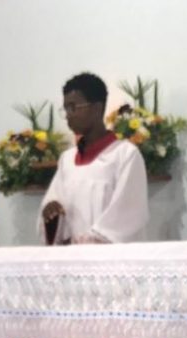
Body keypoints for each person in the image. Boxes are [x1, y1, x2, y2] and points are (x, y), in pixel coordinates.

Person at [39, 72, 148, 245]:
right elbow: (52, 215)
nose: (68, 114)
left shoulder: (125, 155)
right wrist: (51, 214)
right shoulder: (66, 160)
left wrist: (88, 243)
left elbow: (127, 215)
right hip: (71, 263)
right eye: (66, 108)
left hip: (109, 264)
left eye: (73, 107)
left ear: (97, 108)